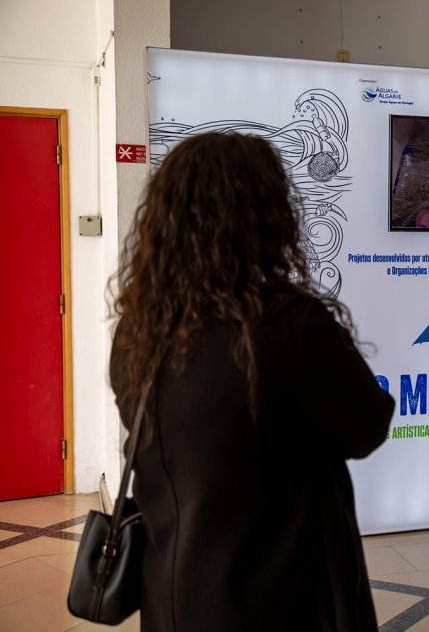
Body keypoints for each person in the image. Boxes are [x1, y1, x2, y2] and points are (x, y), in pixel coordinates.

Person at [109, 132, 394, 631]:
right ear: (267, 217)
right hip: (282, 601)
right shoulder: (289, 325)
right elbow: (367, 427)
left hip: (172, 597)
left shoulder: (138, 332)